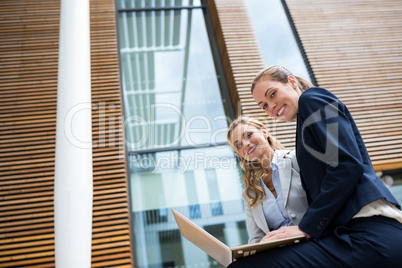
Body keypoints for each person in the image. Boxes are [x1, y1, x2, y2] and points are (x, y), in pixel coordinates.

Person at [228, 66, 402, 267]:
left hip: (370, 230)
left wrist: (306, 227)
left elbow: (346, 165)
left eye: (272, 94)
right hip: (347, 233)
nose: (271, 107)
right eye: (264, 105)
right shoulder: (303, 128)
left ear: (292, 82)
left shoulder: (311, 99)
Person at [227, 116, 308, 243]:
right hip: (279, 253)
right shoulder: (249, 194)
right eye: (239, 145)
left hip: (313, 239)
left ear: (264, 132)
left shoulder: (298, 159)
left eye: (249, 135)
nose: (246, 144)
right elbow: (256, 238)